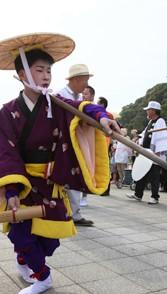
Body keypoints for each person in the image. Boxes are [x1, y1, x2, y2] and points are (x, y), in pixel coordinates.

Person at [0, 33, 118, 294]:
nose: (46, 75)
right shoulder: (9, 111)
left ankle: (27, 259)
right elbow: (5, 153)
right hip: (23, 181)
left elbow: (83, 108)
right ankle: (43, 277)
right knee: (21, 233)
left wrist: (103, 118)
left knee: (49, 241)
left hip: (51, 183)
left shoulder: (57, 104)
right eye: (39, 69)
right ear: (22, 74)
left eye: (49, 70)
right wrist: (12, 191)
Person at [57, 64, 95, 226]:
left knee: (75, 177)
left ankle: (75, 213)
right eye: (85, 81)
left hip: (75, 143)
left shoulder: (79, 98)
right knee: (61, 179)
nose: (86, 85)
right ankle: (63, 213)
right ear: (76, 80)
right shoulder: (59, 95)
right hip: (61, 143)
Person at [127, 101, 167, 204]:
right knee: (142, 173)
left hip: (154, 153)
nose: (147, 111)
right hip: (145, 152)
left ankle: (155, 197)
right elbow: (144, 134)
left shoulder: (160, 121)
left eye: (148, 110)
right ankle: (138, 194)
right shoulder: (150, 122)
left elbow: (161, 137)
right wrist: (138, 141)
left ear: (154, 111)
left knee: (154, 176)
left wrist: (158, 153)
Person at [80, 85, 96, 206]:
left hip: (89, 141)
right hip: (78, 140)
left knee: (88, 167)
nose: (83, 96)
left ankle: (85, 196)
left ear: (91, 96)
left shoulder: (93, 109)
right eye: (82, 94)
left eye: (85, 94)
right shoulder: (79, 106)